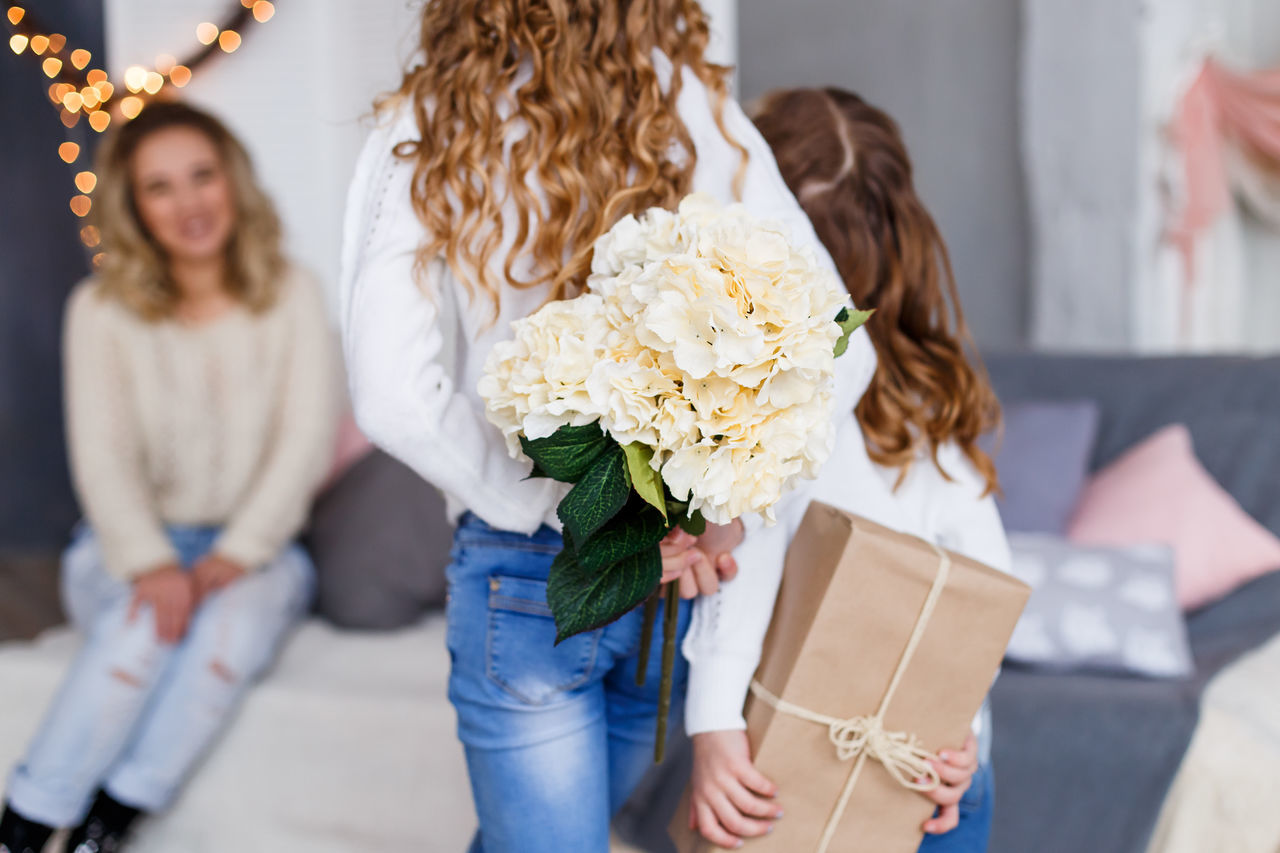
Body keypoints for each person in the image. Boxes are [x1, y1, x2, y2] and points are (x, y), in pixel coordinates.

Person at [338, 2, 880, 850]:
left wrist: (549, 510)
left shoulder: (428, 122)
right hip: (673, 577)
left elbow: (391, 396)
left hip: (528, 572)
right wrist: (712, 506)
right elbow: (841, 351)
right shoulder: (691, 106)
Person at [0, 101, 337, 853]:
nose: (189, 204)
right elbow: (103, 455)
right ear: (132, 205)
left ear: (232, 180)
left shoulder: (293, 293)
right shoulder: (99, 309)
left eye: (201, 176)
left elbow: (305, 442)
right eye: (159, 187)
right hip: (125, 548)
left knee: (226, 632)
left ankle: (104, 825)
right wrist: (153, 563)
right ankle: (21, 829)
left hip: (258, 552)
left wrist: (236, 552)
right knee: (139, 632)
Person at [685, 87, 1008, 852]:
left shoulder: (770, 404)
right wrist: (958, 725)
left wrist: (713, 723)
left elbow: (748, 566)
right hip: (942, 771)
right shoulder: (932, 393)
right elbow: (987, 578)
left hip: (803, 776)